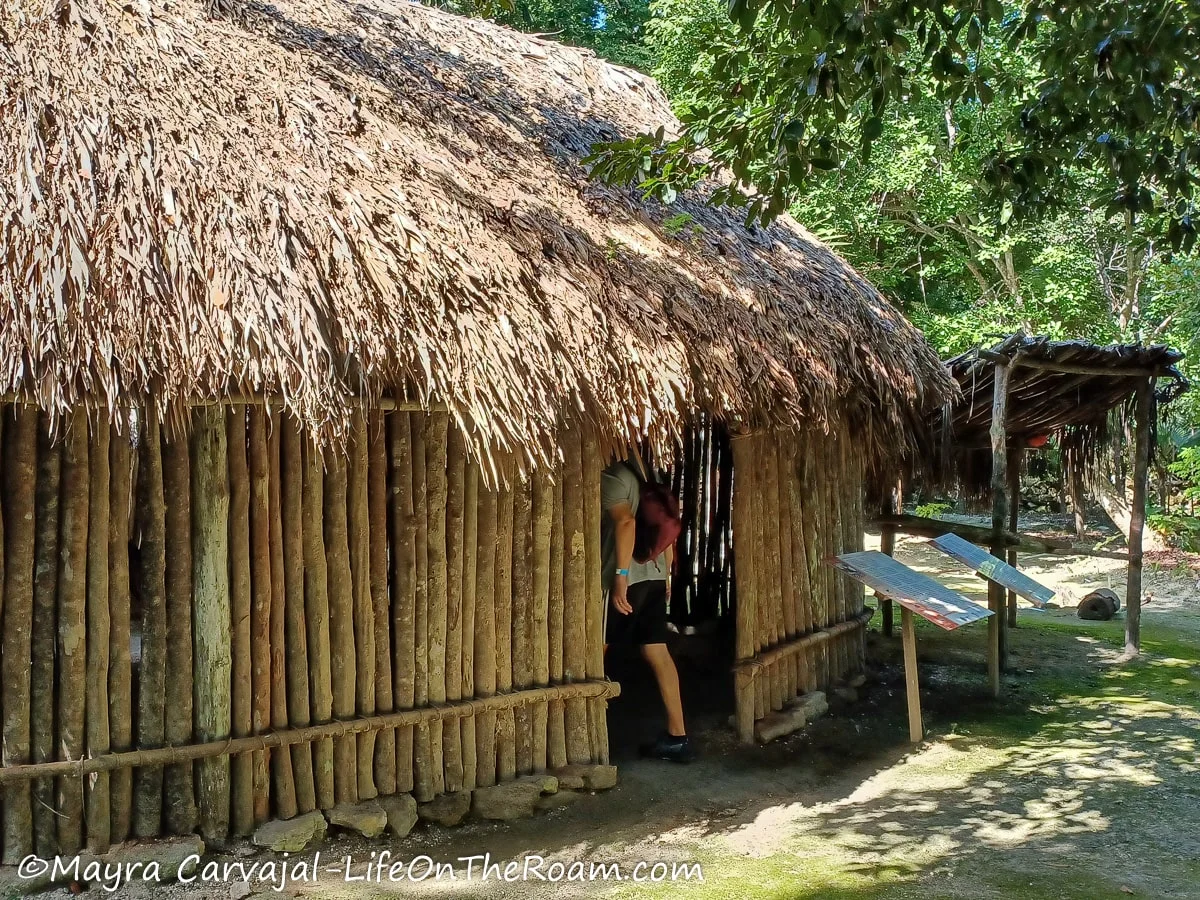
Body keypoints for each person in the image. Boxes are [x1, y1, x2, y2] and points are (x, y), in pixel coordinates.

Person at [601, 458, 694, 763]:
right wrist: (666, 573)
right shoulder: (649, 473)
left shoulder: (615, 476)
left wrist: (621, 578)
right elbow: (665, 527)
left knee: (595, 651)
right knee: (657, 652)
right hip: (653, 577)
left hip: (623, 580)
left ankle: (592, 742)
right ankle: (677, 737)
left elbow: (626, 523)